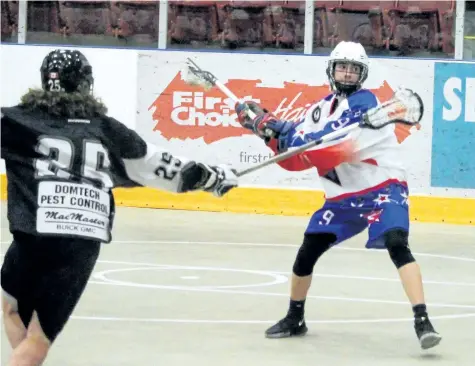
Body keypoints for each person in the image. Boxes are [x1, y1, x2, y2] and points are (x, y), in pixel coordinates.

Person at [0, 49, 238, 366]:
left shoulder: (15, 120)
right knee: (32, 333)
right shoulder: (107, 130)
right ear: (86, 84)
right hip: (79, 243)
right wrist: (213, 179)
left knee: (12, 310)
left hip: (33, 235)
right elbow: (164, 168)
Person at [234, 41, 441, 350]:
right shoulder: (317, 110)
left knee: (397, 242)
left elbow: (330, 150)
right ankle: (295, 318)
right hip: (342, 198)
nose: (347, 74)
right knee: (308, 251)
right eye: (342, 67)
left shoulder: (368, 106)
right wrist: (267, 132)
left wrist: (283, 131)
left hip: (383, 188)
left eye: (354, 69)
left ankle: (422, 320)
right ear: (331, 70)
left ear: (362, 74)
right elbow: (295, 158)